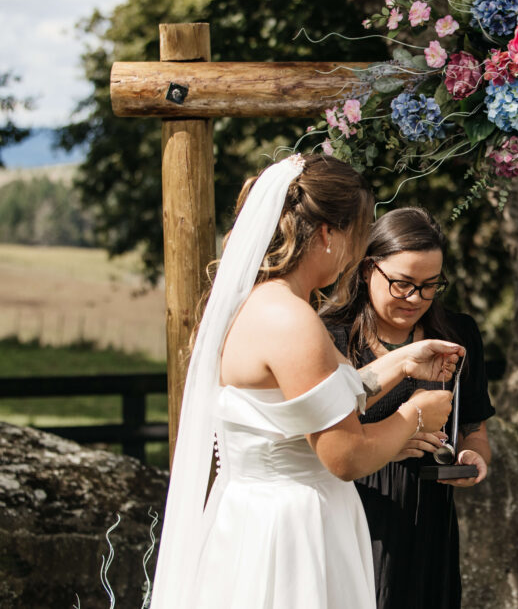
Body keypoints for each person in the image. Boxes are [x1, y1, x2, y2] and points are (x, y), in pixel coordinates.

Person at [150, 154, 462, 609]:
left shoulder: (259, 303)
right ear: (326, 234)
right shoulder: (290, 320)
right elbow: (345, 455)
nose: (358, 253)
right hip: (291, 534)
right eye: (358, 234)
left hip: (252, 519)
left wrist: (400, 364)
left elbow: (306, 401)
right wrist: (415, 416)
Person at [321, 207, 496, 609]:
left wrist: (473, 457)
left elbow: (474, 427)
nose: (415, 298)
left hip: (431, 518)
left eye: (430, 285)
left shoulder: (458, 333)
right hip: (357, 512)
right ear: (368, 269)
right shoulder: (331, 334)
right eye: (402, 284)